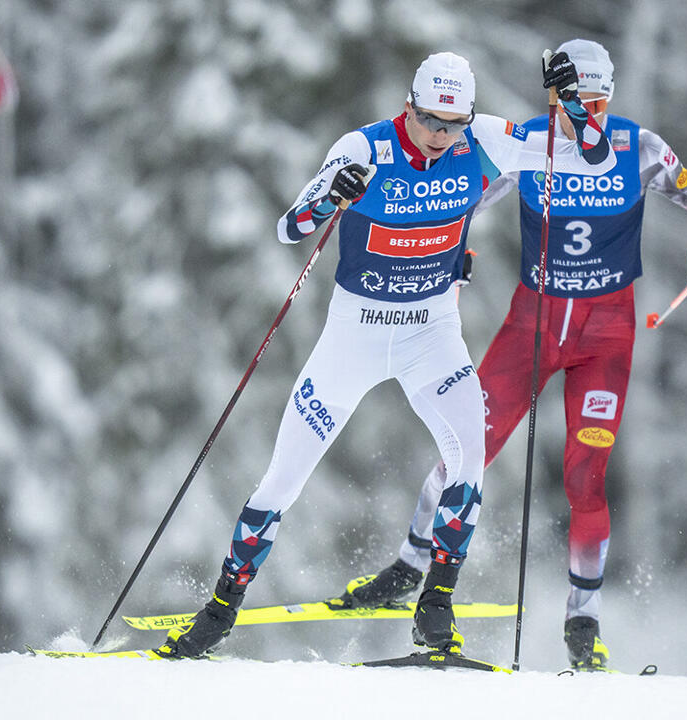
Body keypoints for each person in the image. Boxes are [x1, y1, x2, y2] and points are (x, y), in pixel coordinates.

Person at [155, 49, 616, 659]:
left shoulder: (484, 141)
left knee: (469, 460)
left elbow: (594, 159)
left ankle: (435, 607)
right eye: (430, 121)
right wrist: (328, 196)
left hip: (432, 334)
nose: (441, 136)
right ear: (409, 106)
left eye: (453, 125)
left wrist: (576, 110)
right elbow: (290, 228)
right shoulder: (365, 148)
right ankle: (218, 612)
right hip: (356, 336)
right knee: (283, 479)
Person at [336, 39, 687, 670]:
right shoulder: (526, 143)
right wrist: (450, 250)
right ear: (552, 96)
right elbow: (459, 200)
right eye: (572, 101)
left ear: (608, 96)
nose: (583, 113)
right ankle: (409, 567)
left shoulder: (641, 148)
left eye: (595, 100)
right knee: (465, 450)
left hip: (606, 337)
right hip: (531, 328)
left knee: (585, 477)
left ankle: (583, 620)